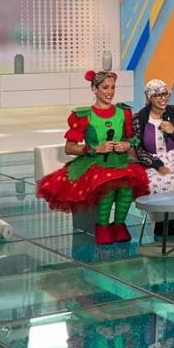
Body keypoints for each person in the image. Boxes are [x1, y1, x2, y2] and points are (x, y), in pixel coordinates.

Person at [37, 71, 149, 245]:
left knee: (126, 188)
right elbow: (69, 147)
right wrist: (95, 148)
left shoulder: (124, 112)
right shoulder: (83, 116)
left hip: (120, 161)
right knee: (108, 187)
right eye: (105, 87)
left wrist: (126, 145)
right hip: (95, 161)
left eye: (112, 87)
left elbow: (132, 139)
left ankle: (119, 226)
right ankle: (102, 227)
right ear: (94, 89)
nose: (109, 92)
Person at [133, 78, 174, 237]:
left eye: (165, 94)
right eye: (158, 95)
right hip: (152, 161)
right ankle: (164, 226)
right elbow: (138, 149)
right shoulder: (139, 118)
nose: (163, 98)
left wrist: (173, 131)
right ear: (149, 98)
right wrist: (156, 164)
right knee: (156, 182)